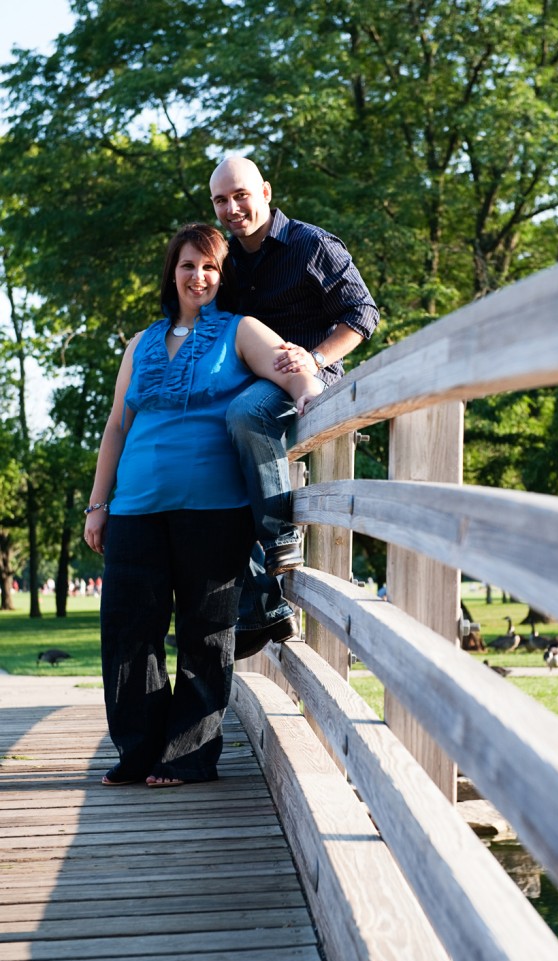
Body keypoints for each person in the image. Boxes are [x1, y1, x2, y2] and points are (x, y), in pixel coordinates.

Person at [84, 223, 321, 788]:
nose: (199, 276)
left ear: (222, 276)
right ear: (173, 272)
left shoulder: (240, 331)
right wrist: (99, 504)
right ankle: (138, 750)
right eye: (189, 265)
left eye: (211, 267)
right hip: (136, 507)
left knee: (205, 633)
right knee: (128, 630)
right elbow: (118, 426)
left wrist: (307, 388)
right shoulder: (139, 344)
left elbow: (293, 370)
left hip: (215, 511)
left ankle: (188, 755)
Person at [209, 156, 380, 659]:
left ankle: (281, 533)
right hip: (251, 381)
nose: (232, 208)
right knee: (203, 456)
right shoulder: (228, 260)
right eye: (221, 200)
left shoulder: (312, 245)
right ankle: (265, 605)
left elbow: (363, 313)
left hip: (308, 377)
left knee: (246, 414)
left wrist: (318, 355)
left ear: (264, 191)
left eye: (240, 195)